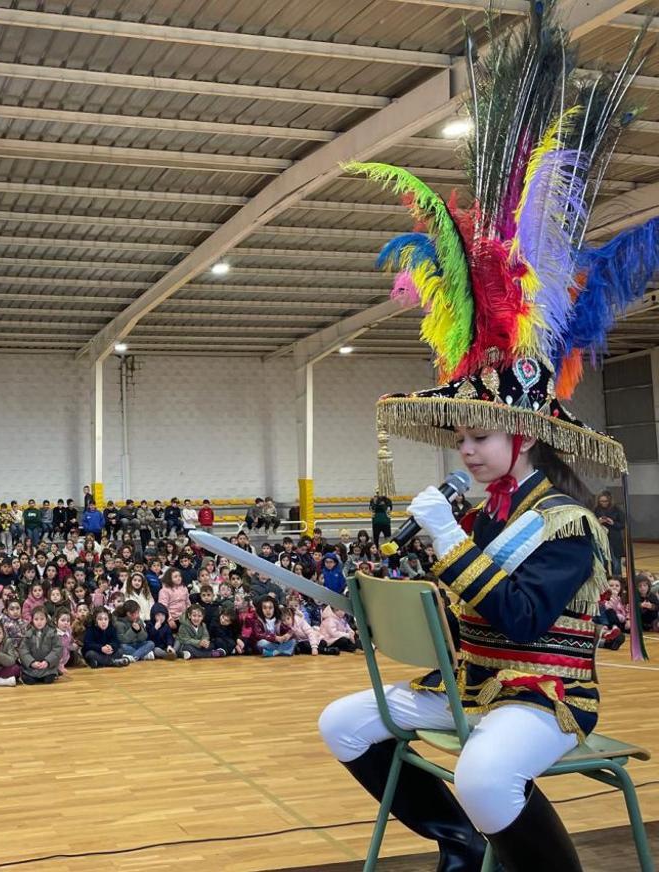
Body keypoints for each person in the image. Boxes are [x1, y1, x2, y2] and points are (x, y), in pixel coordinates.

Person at [322, 25, 644, 865]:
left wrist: (445, 538)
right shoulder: (479, 507)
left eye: (478, 436)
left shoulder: (567, 522)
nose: (464, 450)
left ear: (526, 434)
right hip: (468, 683)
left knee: (487, 771)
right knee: (345, 723)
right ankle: (459, 841)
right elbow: (453, 612)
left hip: (544, 695)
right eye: (461, 437)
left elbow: (519, 615)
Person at [18, 606, 63, 683]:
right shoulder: (28, 633)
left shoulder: (52, 633)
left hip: (47, 666)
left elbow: (57, 649)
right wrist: (31, 662)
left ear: (46, 619)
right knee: (30, 681)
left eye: (42, 619)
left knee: (48, 680)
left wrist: (47, 662)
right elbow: (23, 650)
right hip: (32, 667)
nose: (39, 622)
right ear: (32, 620)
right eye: (36, 619)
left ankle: (53, 672)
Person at [593, 492, 626, 576]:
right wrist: (598, 522)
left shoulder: (617, 509)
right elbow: (591, 525)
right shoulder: (595, 510)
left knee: (616, 562)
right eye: (601, 501)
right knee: (603, 561)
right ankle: (605, 580)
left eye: (606, 501)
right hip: (601, 538)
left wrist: (613, 523)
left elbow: (623, 524)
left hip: (614, 539)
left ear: (610, 500)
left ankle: (617, 581)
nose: (603, 503)